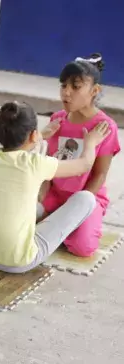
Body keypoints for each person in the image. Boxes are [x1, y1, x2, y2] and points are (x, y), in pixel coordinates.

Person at [0, 101, 110, 273]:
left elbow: (15, 152)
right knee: (87, 198)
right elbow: (84, 165)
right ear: (33, 135)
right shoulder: (35, 164)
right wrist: (90, 143)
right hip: (17, 262)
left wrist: (39, 136)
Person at [41, 53, 121, 257]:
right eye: (63, 85)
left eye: (75, 87)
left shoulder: (104, 127)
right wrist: (41, 196)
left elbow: (99, 175)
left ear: (94, 91)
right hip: (55, 196)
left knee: (82, 248)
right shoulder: (58, 119)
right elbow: (49, 164)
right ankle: (59, 227)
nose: (66, 93)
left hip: (86, 197)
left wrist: (78, 207)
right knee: (21, 223)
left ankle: (70, 227)